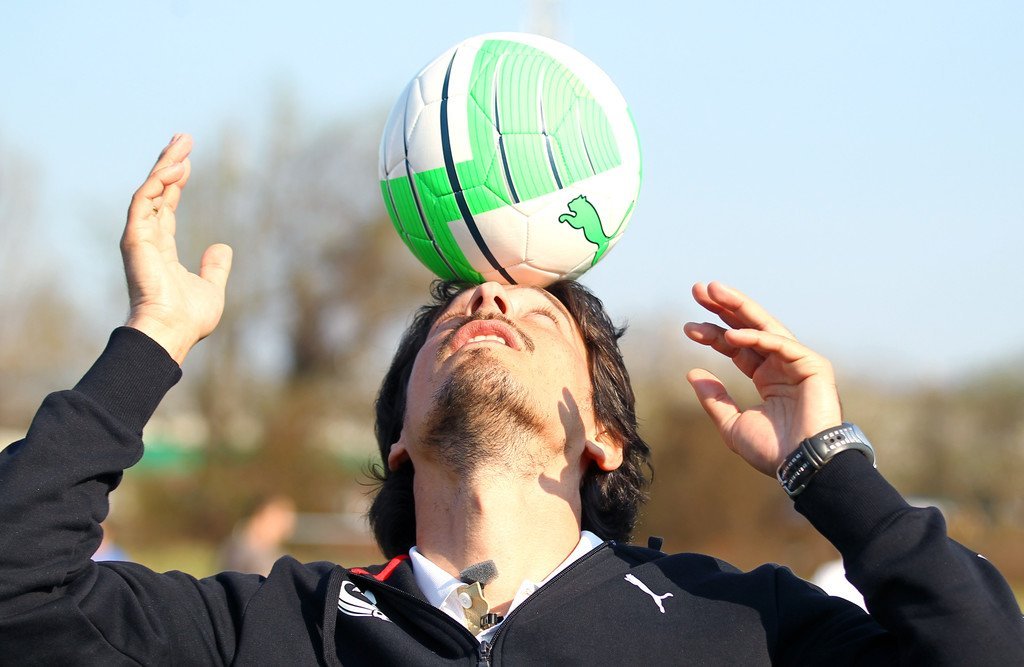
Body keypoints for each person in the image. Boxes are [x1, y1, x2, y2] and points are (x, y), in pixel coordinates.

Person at [0, 134, 1021, 665]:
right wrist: (152, 339)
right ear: (399, 441)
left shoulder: (740, 624)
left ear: (603, 438)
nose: (490, 297)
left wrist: (829, 465)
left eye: (541, 315)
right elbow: (17, 594)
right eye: (452, 315)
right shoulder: (281, 625)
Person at [218, 494, 297, 576]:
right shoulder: (239, 548)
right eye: (281, 521)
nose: (287, 529)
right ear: (263, 515)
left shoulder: (277, 554)